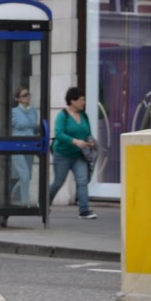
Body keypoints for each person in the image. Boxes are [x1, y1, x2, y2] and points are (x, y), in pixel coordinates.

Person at [48, 87, 98, 220]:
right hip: (62, 155)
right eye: (81, 100)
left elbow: (87, 133)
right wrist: (75, 141)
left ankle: (84, 210)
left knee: (82, 181)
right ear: (72, 101)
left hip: (79, 155)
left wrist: (90, 142)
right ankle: (44, 204)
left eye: (84, 100)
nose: (84, 102)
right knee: (58, 182)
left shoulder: (84, 115)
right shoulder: (62, 115)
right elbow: (58, 134)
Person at [8, 86, 38, 206]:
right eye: (24, 95)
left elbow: (34, 127)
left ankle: (13, 195)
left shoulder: (33, 110)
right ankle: (25, 202)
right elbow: (17, 126)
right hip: (17, 145)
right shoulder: (14, 112)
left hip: (29, 145)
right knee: (24, 174)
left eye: (28, 94)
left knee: (27, 176)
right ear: (17, 99)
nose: (27, 97)